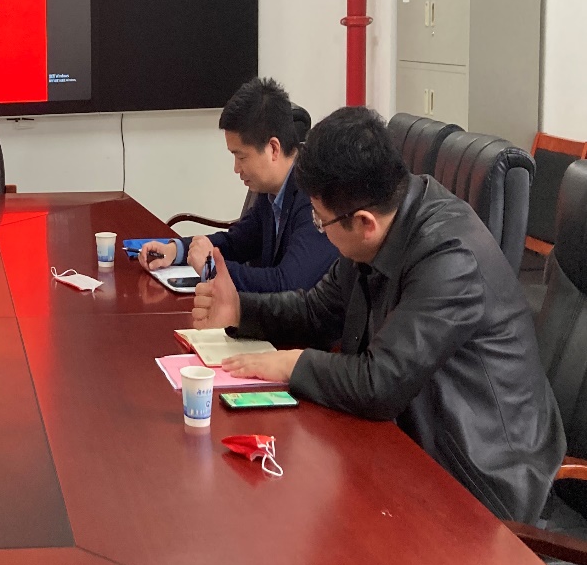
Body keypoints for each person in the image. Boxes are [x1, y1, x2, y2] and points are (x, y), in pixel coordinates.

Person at [192, 105, 565, 524]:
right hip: (410, 446)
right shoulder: (382, 222)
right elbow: (317, 311)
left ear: (364, 222)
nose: (319, 229)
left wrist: (291, 364)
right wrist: (240, 309)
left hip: (482, 481)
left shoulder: (450, 257)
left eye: (320, 221)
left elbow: (381, 382)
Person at [137, 77, 338, 292]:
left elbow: (287, 284)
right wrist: (177, 251)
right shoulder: (272, 191)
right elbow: (238, 242)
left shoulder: (314, 196)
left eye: (241, 157)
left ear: (273, 148)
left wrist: (212, 268)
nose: (236, 168)